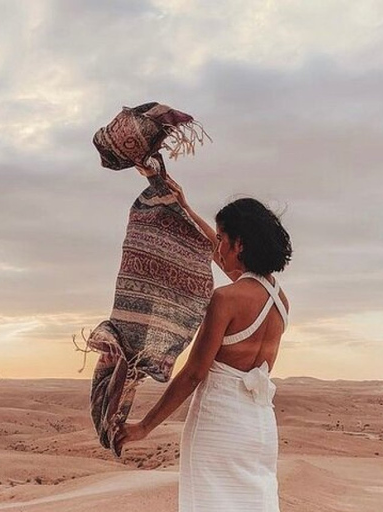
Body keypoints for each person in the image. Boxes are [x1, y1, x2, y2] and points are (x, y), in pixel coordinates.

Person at [116, 173, 292, 512]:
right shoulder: (279, 300)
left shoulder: (225, 299)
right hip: (258, 430)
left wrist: (145, 427)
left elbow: (194, 373)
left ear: (239, 244)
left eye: (223, 238)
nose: (218, 247)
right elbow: (224, 258)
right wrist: (185, 208)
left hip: (219, 425)